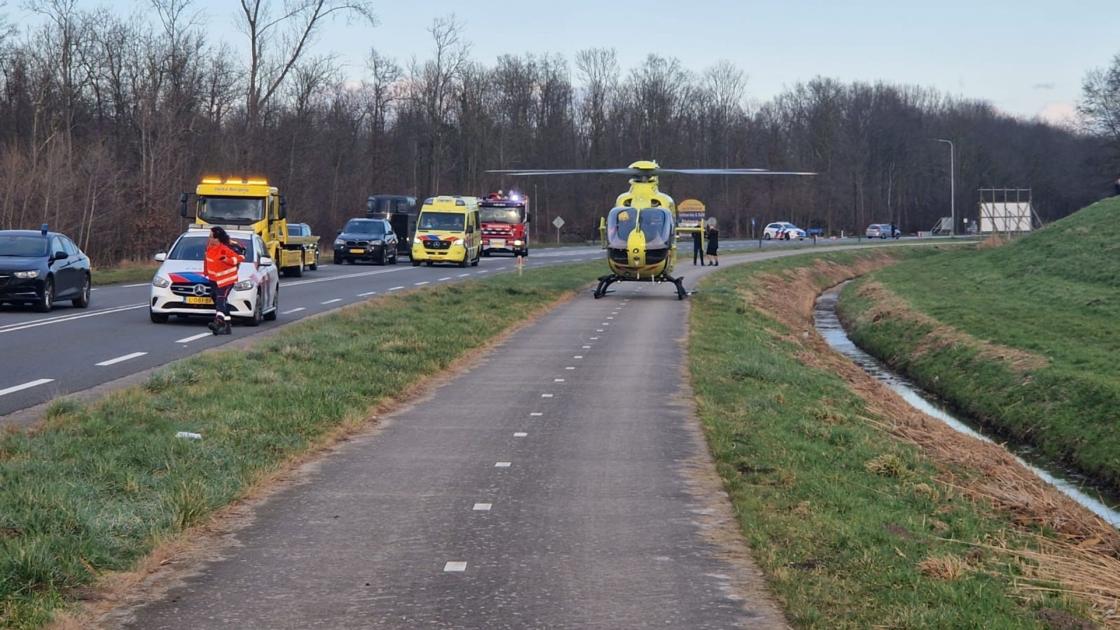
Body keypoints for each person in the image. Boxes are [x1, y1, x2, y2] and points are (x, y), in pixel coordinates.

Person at [204, 226, 244, 335]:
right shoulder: (209, 247)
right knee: (217, 299)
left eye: (211, 237)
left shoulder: (224, 249)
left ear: (217, 239)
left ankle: (219, 322)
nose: (209, 238)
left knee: (221, 299)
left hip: (226, 280)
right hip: (214, 280)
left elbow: (239, 259)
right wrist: (205, 273)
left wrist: (227, 260)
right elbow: (207, 260)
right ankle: (227, 326)